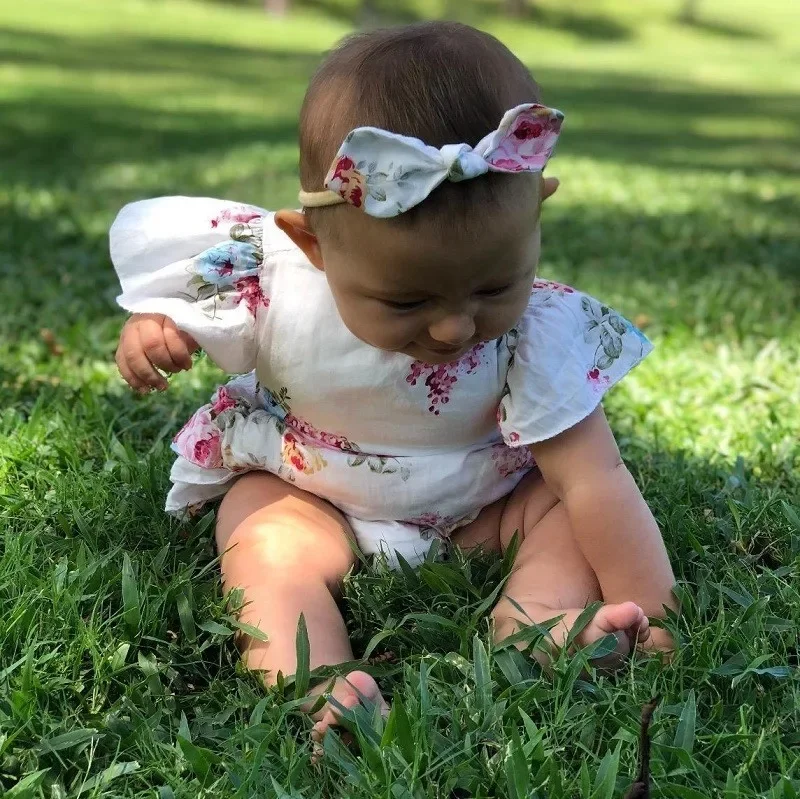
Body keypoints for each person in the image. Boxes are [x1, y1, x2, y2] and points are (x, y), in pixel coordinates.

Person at [110, 21, 676, 745]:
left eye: (494, 286)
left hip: (486, 510)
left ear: (538, 210)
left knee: (563, 512)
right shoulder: (272, 282)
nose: (453, 329)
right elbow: (191, 307)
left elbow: (597, 479)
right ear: (311, 245)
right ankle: (318, 684)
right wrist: (161, 329)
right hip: (317, 495)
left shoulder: (536, 330)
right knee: (259, 528)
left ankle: (531, 626)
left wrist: (655, 611)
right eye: (407, 302)